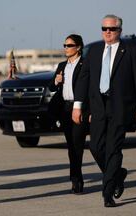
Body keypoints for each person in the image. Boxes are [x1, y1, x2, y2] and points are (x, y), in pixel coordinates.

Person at [73, 14, 136, 207]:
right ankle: (118, 174)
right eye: (104, 28)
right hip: (98, 107)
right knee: (96, 147)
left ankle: (107, 193)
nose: (107, 32)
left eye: (112, 29)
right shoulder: (95, 51)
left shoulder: (131, 50)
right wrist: (78, 106)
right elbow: (84, 79)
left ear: (119, 31)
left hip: (121, 108)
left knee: (113, 149)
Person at [48, 34, 88, 194]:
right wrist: (57, 81)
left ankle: (77, 180)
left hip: (79, 109)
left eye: (69, 45)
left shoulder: (85, 65)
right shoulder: (62, 65)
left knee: (78, 145)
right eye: (64, 45)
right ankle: (75, 178)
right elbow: (51, 87)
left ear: (78, 47)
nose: (66, 48)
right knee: (71, 146)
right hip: (65, 109)